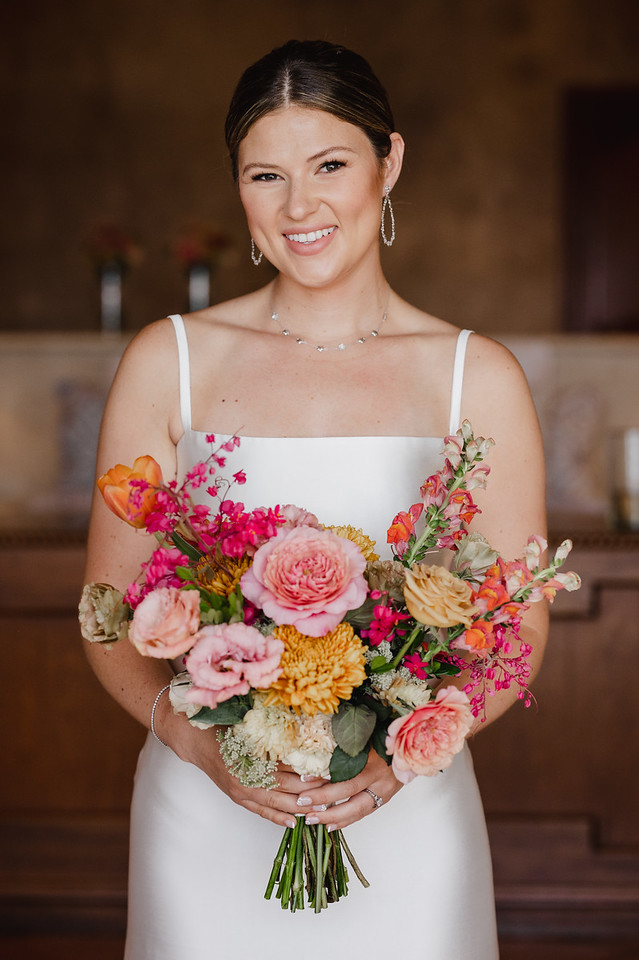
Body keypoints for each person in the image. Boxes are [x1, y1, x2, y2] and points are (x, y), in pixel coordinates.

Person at [83, 39, 547, 959]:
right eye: (265, 175)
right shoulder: (167, 358)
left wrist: (396, 759)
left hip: (405, 814)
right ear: (239, 191)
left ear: (390, 161)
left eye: (329, 164)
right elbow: (106, 617)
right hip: (202, 815)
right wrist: (203, 744)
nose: (299, 206)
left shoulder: (475, 377)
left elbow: (519, 627)